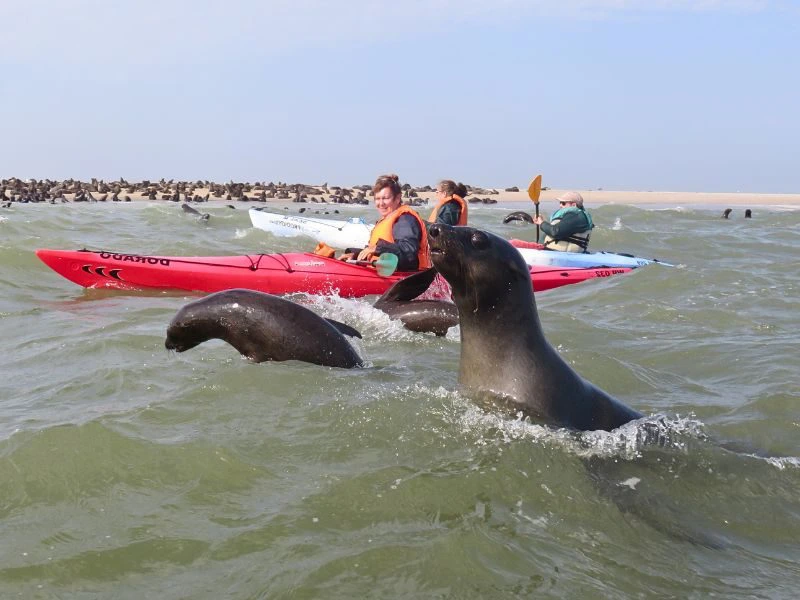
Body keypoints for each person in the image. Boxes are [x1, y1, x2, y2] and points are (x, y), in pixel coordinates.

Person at [339, 174, 431, 271]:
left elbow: (409, 254)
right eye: (377, 199)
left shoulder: (404, 220)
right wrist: (355, 255)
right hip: (382, 273)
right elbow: (376, 253)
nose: (381, 203)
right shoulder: (387, 218)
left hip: (407, 279)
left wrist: (378, 248)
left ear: (398, 198)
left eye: (385, 198)